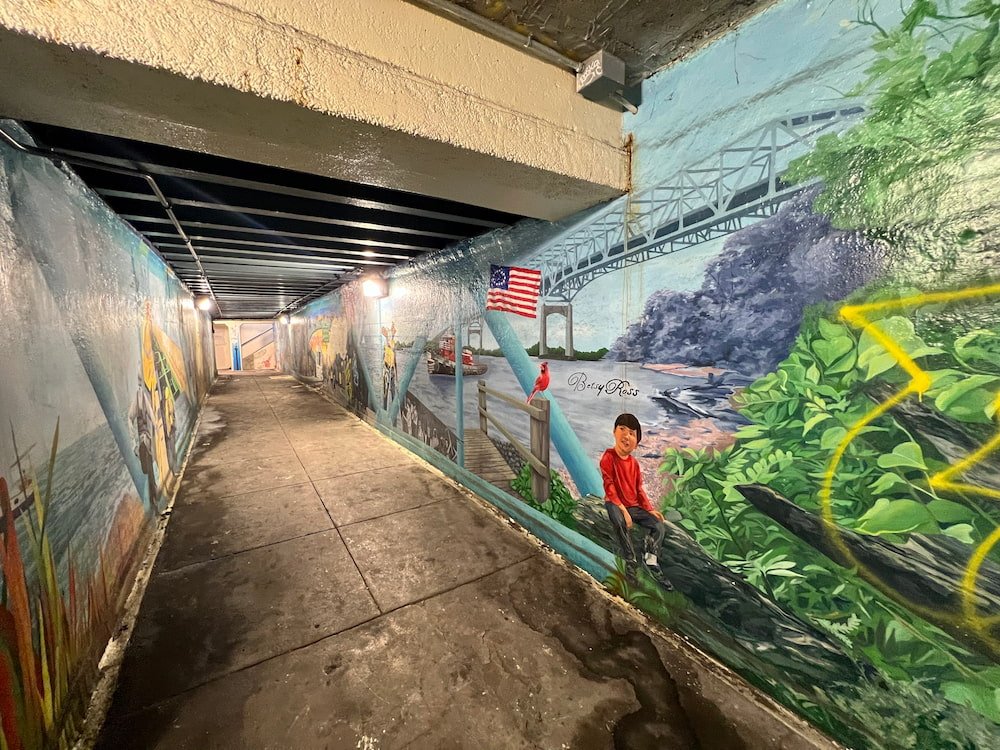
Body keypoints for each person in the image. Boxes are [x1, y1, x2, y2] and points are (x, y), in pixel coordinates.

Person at [600, 413, 667, 578]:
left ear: (636, 444)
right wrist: (623, 511)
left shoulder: (634, 464)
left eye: (632, 433)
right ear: (614, 431)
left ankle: (651, 559)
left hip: (633, 506)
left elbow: (639, 490)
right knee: (620, 522)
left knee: (658, 526)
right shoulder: (608, 457)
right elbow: (610, 487)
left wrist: (649, 510)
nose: (626, 436)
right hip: (615, 503)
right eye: (622, 429)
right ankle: (631, 560)